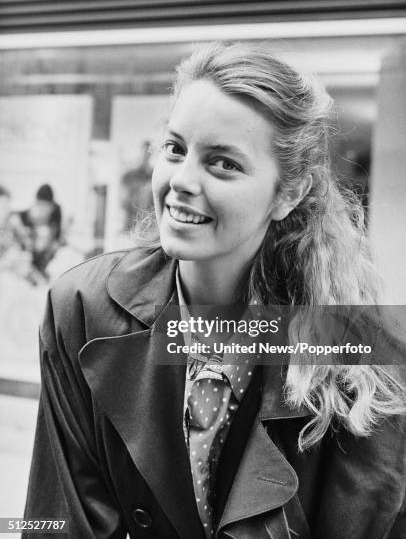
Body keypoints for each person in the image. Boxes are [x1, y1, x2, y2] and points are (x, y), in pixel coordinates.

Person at [24, 43, 406, 538]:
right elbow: (55, 520)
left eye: (223, 163)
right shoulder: (82, 307)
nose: (182, 180)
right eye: (175, 149)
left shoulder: (360, 349)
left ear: (290, 193)